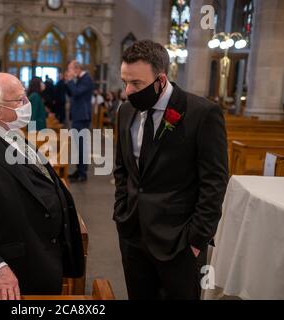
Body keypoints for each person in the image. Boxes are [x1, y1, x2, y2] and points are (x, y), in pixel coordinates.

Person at [0, 72, 84, 299]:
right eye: (19, 100)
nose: (27, 105)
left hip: (43, 262)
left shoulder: (13, 136)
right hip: (12, 277)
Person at [114, 40, 228, 300]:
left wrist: (197, 239)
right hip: (132, 233)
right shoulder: (126, 111)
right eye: (125, 82)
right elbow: (122, 169)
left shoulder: (202, 113)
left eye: (136, 84)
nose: (127, 91)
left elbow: (215, 181)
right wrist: (122, 212)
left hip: (179, 240)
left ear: (161, 80)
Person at [64, 60, 94, 183]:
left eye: (70, 69)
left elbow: (76, 92)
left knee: (81, 145)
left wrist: (70, 80)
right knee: (77, 145)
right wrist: (67, 82)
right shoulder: (80, 79)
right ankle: (78, 170)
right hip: (77, 116)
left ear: (77, 69)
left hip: (82, 116)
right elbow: (71, 93)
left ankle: (82, 173)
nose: (68, 72)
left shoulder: (87, 79)